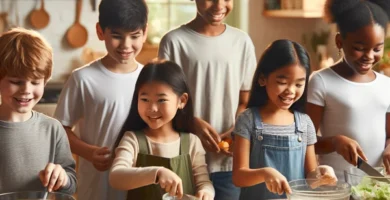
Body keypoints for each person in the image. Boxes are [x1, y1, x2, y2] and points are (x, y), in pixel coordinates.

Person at [158, 0, 257, 199]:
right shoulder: (174, 41)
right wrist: (191, 122)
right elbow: (162, 102)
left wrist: (238, 127)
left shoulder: (241, 41)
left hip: (228, 163)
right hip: (184, 160)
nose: (219, 5)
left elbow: (246, 100)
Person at [53, 0, 148, 199]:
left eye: (134, 36)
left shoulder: (150, 79)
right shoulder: (82, 78)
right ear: (100, 31)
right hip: (95, 188)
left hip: (138, 186)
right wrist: (88, 152)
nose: (126, 45)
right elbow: (60, 129)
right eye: (116, 36)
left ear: (145, 32)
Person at [232, 40, 337, 200]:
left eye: (299, 84)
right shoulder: (247, 120)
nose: (290, 91)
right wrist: (265, 173)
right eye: (282, 82)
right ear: (262, 79)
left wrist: (322, 173)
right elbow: (239, 177)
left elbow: (310, 178)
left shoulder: (304, 123)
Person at [306, 0, 390, 179]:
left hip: (375, 187)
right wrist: (334, 143)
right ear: (339, 41)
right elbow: (304, 142)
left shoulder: (386, 85)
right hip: (336, 186)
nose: (368, 56)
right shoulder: (321, 81)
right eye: (359, 48)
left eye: (377, 49)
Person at [109, 60, 215, 200]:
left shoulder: (192, 141)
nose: (152, 108)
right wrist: (157, 173)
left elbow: (204, 182)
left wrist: (206, 193)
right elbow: (116, 177)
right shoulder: (132, 139)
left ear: (181, 101)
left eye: (161, 100)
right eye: (145, 99)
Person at [0, 27, 76, 194]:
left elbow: (71, 184)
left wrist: (62, 178)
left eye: (35, 82)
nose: (26, 90)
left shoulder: (53, 129)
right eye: (16, 82)